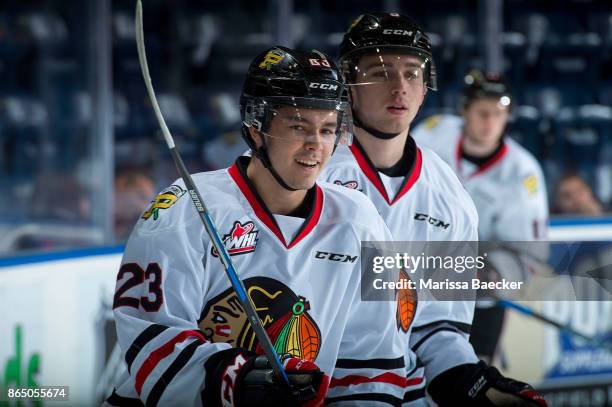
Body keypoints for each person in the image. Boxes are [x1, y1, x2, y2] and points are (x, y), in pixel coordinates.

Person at [105, 46, 409, 407]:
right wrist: (243, 380)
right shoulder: (186, 208)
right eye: (298, 126)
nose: (315, 145)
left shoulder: (358, 219)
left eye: (328, 129)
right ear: (256, 128)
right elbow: (151, 344)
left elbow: (371, 366)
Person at [320, 13, 547, 406]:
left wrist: (465, 376)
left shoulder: (450, 196)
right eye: (379, 72)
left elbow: (437, 325)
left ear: (426, 88)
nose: (398, 87)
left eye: (412, 73)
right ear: (348, 85)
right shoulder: (306, 172)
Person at [413, 71, 549, 370]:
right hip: (414, 288)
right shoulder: (434, 133)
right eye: (482, 112)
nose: (490, 123)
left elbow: (529, 255)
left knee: (469, 382)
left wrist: (490, 273)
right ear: (464, 111)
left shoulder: (523, 172)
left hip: (478, 306)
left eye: (498, 114)